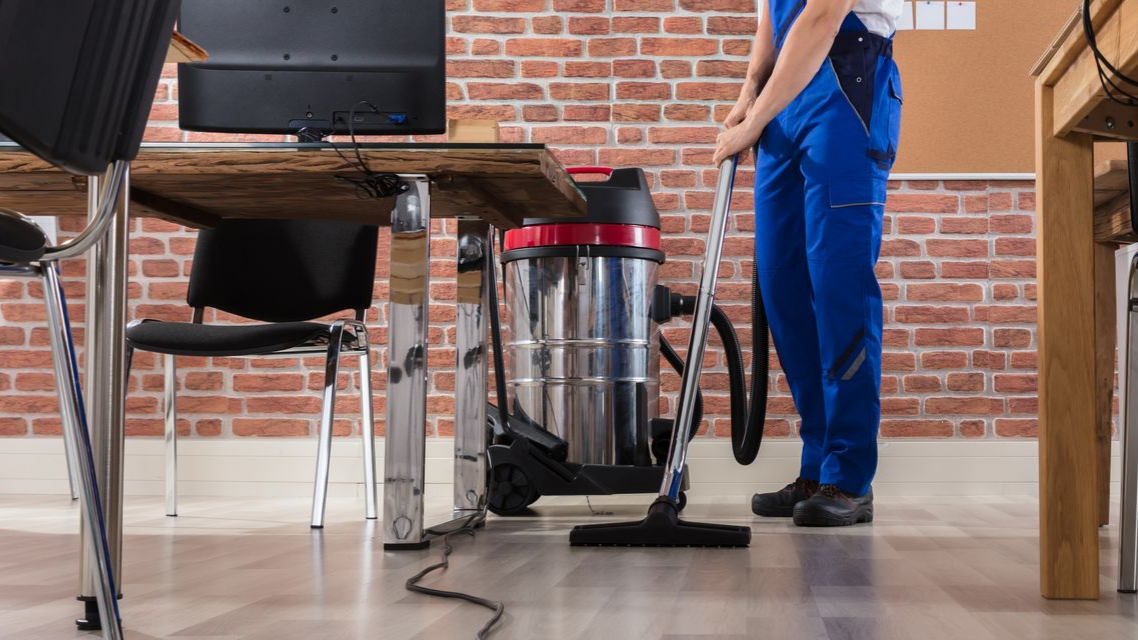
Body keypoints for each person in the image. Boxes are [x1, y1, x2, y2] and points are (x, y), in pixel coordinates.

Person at [713, 0, 903, 527]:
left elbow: (820, 18)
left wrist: (755, 121)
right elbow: (770, 24)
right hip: (785, 98)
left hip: (847, 83)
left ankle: (848, 476)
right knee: (783, 286)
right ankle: (817, 466)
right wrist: (749, 94)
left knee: (839, 285)